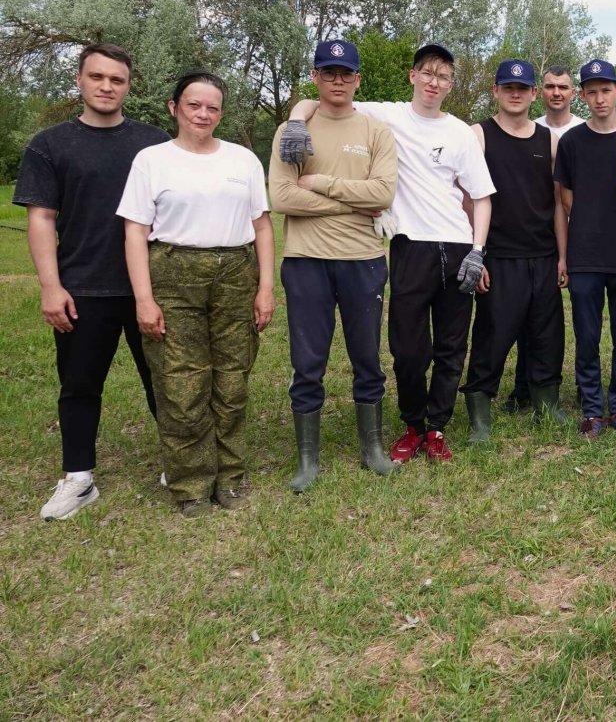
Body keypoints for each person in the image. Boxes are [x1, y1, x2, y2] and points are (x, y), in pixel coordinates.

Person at [290, 42, 494, 462]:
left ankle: (437, 429)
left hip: (457, 247)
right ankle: (412, 424)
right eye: (427, 73)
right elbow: (323, 97)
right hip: (409, 247)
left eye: (443, 76)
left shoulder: (460, 131)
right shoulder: (387, 115)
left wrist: (478, 250)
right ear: (413, 76)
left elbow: (482, 196)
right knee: (407, 348)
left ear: (450, 84)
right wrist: (295, 120)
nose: (434, 82)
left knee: (451, 346)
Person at [14, 44, 170, 520]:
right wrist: (50, 285)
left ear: (128, 86)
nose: (107, 86)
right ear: (79, 80)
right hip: (83, 285)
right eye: (97, 77)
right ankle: (79, 478)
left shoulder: (154, 142)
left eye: (117, 79)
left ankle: (179, 461)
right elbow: (42, 217)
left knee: (164, 379)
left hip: (153, 284)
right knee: (79, 384)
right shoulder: (50, 144)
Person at [118, 72, 274, 516]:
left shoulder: (242, 160)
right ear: (174, 108)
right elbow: (135, 232)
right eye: (193, 105)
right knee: (180, 383)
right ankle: (190, 484)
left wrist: (265, 288)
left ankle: (229, 476)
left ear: (221, 113)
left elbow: (262, 225)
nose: (203, 114)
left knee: (231, 379)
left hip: (235, 273)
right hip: (173, 273)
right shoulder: (152, 160)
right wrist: (144, 299)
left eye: (212, 107)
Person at [270, 39, 398, 492]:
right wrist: (350, 203)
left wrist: (321, 183)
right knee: (308, 362)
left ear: (358, 79)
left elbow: (382, 195)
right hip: (306, 262)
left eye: (346, 73)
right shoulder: (293, 132)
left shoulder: (376, 132)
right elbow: (282, 197)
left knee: (367, 358)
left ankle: (373, 449)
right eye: (329, 73)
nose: (338, 81)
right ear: (316, 77)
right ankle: (307, 460)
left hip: (363, 261)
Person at [460, 60, 568, 441]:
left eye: (523, 88)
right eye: (508, 87)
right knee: (492, 335)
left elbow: (557, 203)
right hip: (499, 257)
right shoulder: (479, 134)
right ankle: (480, 412)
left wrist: (562, 255)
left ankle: (546, 403)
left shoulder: (549, 140)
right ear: (496, 90)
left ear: (534, 93)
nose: (516, 93)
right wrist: (478, 252)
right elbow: (468, 198)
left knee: (547, 335)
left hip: (542, 255)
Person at [556, 59, 616, 438]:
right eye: (591, 91)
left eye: (605, 90)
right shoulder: (572, 142)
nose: (599, 98)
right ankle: (593, 409)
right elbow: (566, 200)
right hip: (585, 257)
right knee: (588, 335)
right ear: (582, 95)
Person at [503, 64, 586, 413]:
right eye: (550, 86)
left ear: (572, 92)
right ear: (541, 91)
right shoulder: (529, 128)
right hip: (539, 235)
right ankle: (523, 386)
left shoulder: (584, 130)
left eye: (563, 87)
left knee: (583, 315)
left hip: (581, 231)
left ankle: (585, 386)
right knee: (529, 315)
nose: (556, 93)